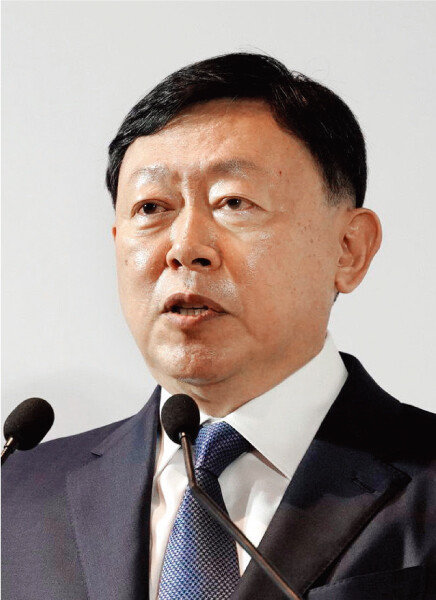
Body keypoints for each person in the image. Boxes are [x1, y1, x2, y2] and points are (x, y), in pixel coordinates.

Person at [2, 53, 435, 600]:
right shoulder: (17, 496)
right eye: (151, 208)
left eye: (233, 202)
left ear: (348, 249)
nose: (185, 247)